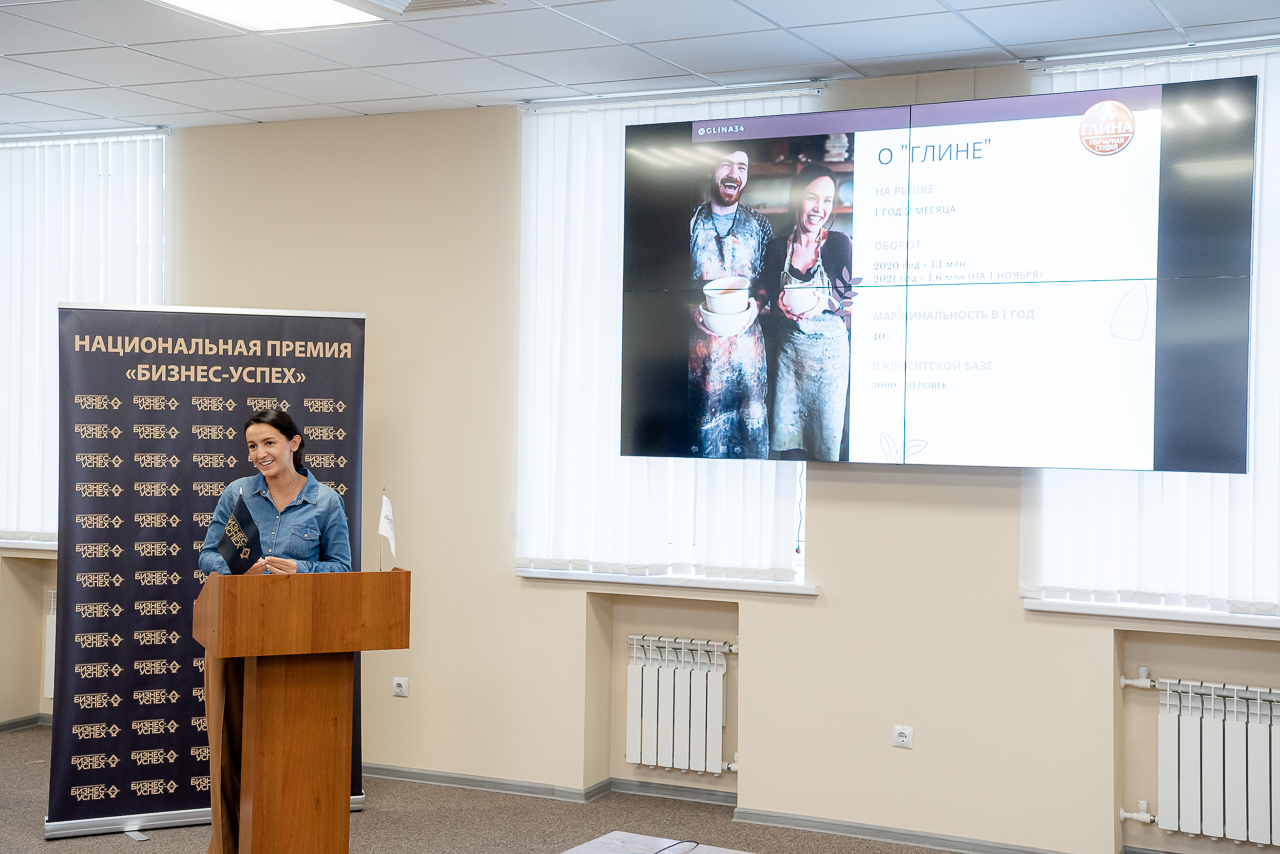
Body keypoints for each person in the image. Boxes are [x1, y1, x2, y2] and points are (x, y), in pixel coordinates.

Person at [198, 409, 352, 854]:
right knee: (233, 746)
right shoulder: (238, 494)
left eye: (268, 443)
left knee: (293, 753)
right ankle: (231, 843)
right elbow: (207, 555)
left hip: (301, 642)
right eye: (252, 446)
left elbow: (342, 569)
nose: (259, 454)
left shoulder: (326, 502)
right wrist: (237, 568)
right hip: (237, 633)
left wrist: (302, 569)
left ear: (293, 443)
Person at [759, 164, 858, 461]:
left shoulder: (839, 244)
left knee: (827, 450)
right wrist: (777, 306)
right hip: (790, 366)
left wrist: (825, 303)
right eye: (812, 198)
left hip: (830, 368)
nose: (819, 208)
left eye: (827, 200)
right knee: (790, 451)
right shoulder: (777, 248)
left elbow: (852, 300)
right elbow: (767, 297)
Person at [687, 148, 774, 459]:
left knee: (749, 434)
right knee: (703, 439)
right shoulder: (690, 222)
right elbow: (669, 282)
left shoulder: (760, 225)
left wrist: (757, 304)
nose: (734, 174)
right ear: (711, 171)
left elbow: (768, 282)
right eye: (725, 164)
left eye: (741, 167)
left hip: (747, 353)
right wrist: (689, 307)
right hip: (703, 354)